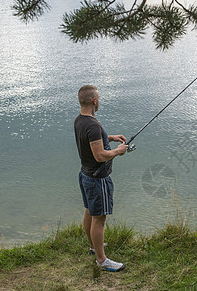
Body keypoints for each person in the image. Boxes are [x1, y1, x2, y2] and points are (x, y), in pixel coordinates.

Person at [74, 85, 128, 272]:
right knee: (100, 218)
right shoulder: (93, 125)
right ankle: (102, 260)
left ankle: (93, 247)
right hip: (97, 180)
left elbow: (91, 142)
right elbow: (99, 155)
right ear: (94, 101)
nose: (100, 100)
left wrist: (110, 137)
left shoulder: (80, 120)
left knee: (89, 211)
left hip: (85, 175)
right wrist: (118, 151)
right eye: (99, 97)